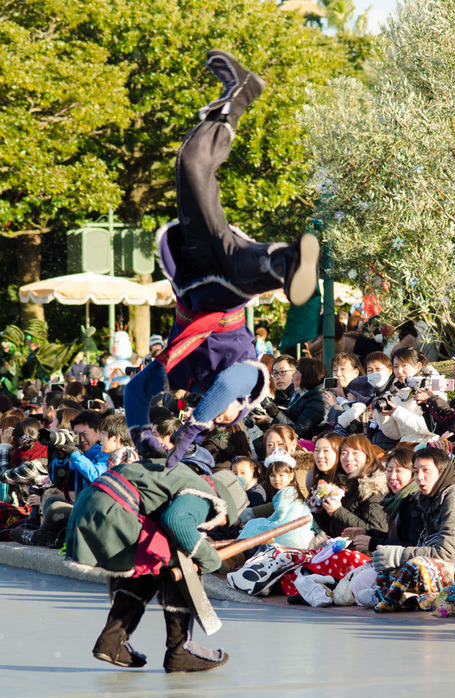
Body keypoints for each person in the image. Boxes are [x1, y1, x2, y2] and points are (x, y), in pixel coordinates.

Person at [125, 49, 319, 458]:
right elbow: (227, 389)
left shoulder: (183, 375)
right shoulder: (248, 376)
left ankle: (239, 95)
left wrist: (142, 435)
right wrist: (191, 433)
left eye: (220, 416)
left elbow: (134, 392)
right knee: (252, 266)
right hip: (228, 285)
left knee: (189, 164)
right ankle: (288, 264)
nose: (223, 413)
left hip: (193, 273)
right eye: (230, 415)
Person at [65, 448, 248, 672]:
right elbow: (177, 521)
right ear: (223, 505)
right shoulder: (203, 493)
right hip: (116, 508)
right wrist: (209, 559)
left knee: (150, 567)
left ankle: (111, 642)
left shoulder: (181, 475)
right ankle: (179, 650)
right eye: (222, 521)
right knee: (181, 565)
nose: (213, 525)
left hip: (95, 503)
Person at [372, 446, 455, 611]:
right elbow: (425, 543)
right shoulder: (432, 495)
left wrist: (399, 555)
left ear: (442, 471)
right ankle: (410, 598)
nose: (419, 478)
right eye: (416, 472)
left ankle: (400, 599)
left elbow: (447, 553)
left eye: (426, 471)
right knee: (386, 571)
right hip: (450, 559)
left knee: (414, 565)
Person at [312, 434, 389, 538]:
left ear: (367, 457)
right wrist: (319, 510)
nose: (349, 458)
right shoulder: (343, 484)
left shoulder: (374, 487)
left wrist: (338, 511)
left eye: (355, 453)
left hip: (365, 552)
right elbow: (334, 530)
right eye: (344, 453)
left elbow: (377, 530)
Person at [236, 452, 313, 549]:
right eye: (273, 476)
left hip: (286, 532)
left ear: (291, 476)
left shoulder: (286, 492)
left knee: (253, 524)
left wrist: (268, 521)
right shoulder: (292, 491)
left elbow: (280, 512)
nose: (277, 479)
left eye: (281, 475)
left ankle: (238, 550)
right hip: (294, 533)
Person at [269, 357, 329, 439]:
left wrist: (275, 413)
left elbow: (299, 430)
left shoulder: (319, 399)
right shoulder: (301, 394)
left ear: (306, 375)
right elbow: (291, 418)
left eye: (296, 371)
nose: (293, 375)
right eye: (275, 373)